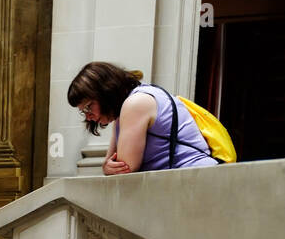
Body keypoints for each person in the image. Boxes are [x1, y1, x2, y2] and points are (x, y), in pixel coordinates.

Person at [67, 62, 218, 174]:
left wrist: (108, 168)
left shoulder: (136, 103)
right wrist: (107, 167)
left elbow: (125, 168)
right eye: (83, 111)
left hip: (197, 179)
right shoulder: (125, 110)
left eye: (88, 107)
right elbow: (110, 164)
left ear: (105, 92)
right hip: (188, 179)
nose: (88, 116)